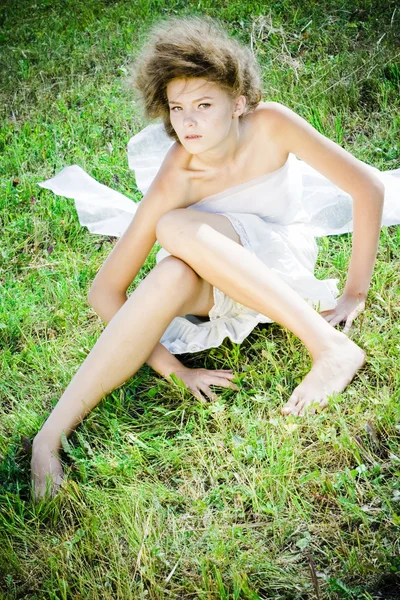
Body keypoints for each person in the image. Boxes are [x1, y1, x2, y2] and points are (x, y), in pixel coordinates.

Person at [31, 15, 400, 500]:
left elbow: (367, 188)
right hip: (220, 290)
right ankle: (47, 440)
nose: (188, 122)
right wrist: (174, 369)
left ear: (239, 102)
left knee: (173, 227)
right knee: (171, 271)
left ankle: (329, 347)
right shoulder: (178, 172)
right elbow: (104, 291)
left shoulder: (272, 124)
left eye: (204, 104)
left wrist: (354, 293)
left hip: (279, 263)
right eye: (177, 107)